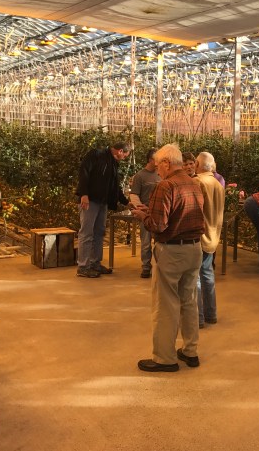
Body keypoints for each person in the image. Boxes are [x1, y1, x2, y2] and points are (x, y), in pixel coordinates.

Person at [131, 143, 205, 372]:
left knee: (166, 305)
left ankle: (164, 358)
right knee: (189, 301)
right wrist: (150, 213)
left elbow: (159, 225)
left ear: (166, 163)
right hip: (195, 249)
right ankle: (190, 351)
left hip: (172, 251)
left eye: (157, 165)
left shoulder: (165, 185)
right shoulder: (194, 183)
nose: (157, 170)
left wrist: (142, 216)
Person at [75, 140, 130, 278]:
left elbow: (115, 186)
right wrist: (84, 194)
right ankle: (83, 266)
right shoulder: (96, 154)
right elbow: (84, 172)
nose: (124, 159)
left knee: (99, 232)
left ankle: (95, 263)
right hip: (90, 200)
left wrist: (126, 202)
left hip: (103, 202)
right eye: (125, 156)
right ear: (120, 151)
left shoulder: (113, 164)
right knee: (86, 233)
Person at [194, 151, 225, 327]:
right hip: (213, 236)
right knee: (207, 274)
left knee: (195, 278)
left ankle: (198, 318)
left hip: (198, 235)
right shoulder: (218, 184)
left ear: (198, 164)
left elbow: (194, 209)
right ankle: (211, 314)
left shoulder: (198, 182)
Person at [129, 148, 161, 279]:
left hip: (159, 213)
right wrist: (140, 210)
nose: (159, 162)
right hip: (145, 213)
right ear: (150, 160)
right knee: (146, 242)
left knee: (159, 242)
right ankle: (146, 267)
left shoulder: (161, 174)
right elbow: (134, 195)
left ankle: (159, 267)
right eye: (157, 159)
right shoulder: (140, 176)